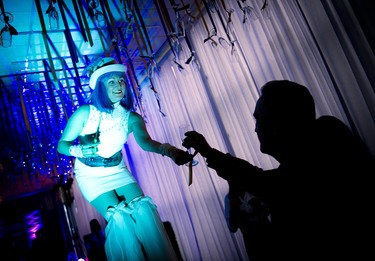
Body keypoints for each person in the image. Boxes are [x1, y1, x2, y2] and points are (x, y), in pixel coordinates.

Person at [182, 80, 375, 261]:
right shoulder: (320, 149)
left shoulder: (320, 159)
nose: (255, 129)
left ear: (275, 124)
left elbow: (266, 183)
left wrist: (250, 224)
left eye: (258, 120)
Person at [57, 57, 192, 261]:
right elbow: (62, 145)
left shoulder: (131, 117)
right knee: (120, 219)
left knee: (145, 212)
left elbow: (146, 142)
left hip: (117, 170)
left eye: (120, 81)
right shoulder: (85, 113)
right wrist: (81, 151)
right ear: (100, 86)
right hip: (90, 176)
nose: (118, 85)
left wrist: (170, 151)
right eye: (111, 81)